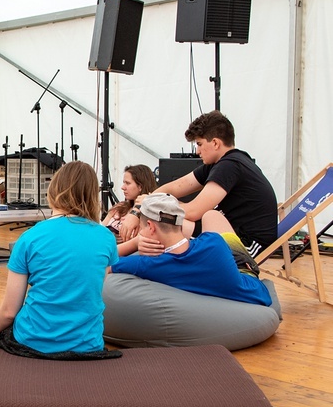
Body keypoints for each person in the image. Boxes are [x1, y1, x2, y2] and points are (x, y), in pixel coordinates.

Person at [0, 161, 120, 358]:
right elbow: (91, 289)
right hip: (87, 345)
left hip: (33, 342)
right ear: (92, 195)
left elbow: (10, 311)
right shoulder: (106, 238)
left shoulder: (30, 237)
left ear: (54, 190)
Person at [118, 111, 277, 258]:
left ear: (215, 143)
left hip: (248, 244)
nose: (197, 152)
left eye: (199, 144)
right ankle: (130, 252)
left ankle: (124, 253)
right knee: (163, 218)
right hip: (228, 231)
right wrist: (140, 209)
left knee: (166, 222)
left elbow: (194, 211)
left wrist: (149, 205)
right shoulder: (222, 163)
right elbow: (173, 187)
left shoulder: (230, 165)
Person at [111, 193, 272, 306]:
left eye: (141, 229)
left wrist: (135, 243)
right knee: (211, 215)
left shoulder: (148, 265)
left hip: (234, 269)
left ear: (151, 227)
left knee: (210, 216)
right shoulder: (213, 243)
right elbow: (264, 295)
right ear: (181, 223)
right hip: (245, 274)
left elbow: (105, 264)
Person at [102, 164, 157, 243]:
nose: (122, 187)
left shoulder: (151, 214)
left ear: (140, 186)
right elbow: (100, 231)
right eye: (124, 182)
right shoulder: (119, 207)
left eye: (127, 183)